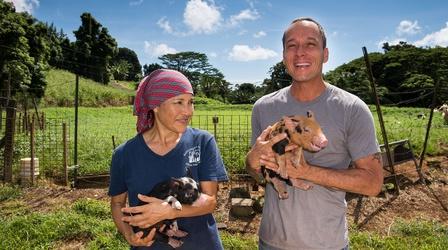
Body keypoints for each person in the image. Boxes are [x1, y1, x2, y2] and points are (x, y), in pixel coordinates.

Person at [246, 17, 383, 250]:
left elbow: (372, 183)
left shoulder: (351, 108)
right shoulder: (263, 107)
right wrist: (251, 162)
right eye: (292, 45)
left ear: (325, 54)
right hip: (271, 242)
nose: (300, 52)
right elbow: (258, 174)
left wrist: (307, 171)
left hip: (327, 243)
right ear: (283, 55)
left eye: (310, 44)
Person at [109, 69, 228, 249]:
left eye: (191, 102)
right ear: (156, 106)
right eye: (179, 102)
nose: (188, 111)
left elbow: (210, 201)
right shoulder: (124, 153)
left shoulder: (203, 141)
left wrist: (169, 210)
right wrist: (128, 234)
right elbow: (118, 203)